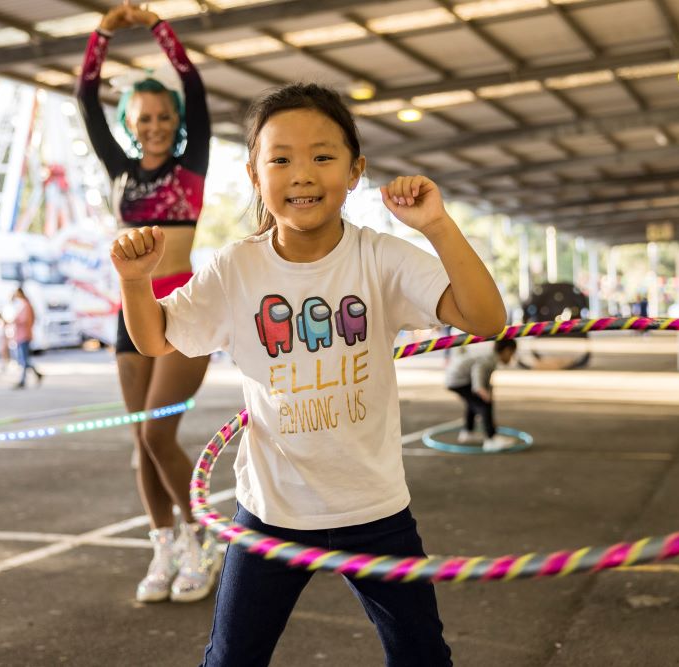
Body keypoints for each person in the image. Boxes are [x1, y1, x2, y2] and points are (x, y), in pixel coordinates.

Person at [111, 82, 506, 666]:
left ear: (355, 171)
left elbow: (487, 318)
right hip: (271, 513)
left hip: (374, 510)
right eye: (281, 159)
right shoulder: (235, 268)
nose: (302, 174)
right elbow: (157, 338)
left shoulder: (381, 258)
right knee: (230, 659)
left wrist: (437, 225)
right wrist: (135, 282)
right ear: (254, 173)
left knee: (422, 658)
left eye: (323, 156)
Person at [77, 1, 216, 603]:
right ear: (132, 124)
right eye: (144, 118)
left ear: (175, 120)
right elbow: (86, 101)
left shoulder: (191, 165)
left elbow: (193, 84)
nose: (155, 124)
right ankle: (164, 545)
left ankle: (203, 541)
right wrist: (100, 36)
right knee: (140, 443)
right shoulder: (120, 170)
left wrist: (157, 27)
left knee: (159, 436)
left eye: (163, 116)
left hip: (184, 307)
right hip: (131, 314)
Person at [445, 339, 517, 452]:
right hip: (458, 379)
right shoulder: (489, 359)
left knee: (474, 403)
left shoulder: (491, 357)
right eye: (512, 354)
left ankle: (467, 433)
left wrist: (486, 391)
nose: (511, 358)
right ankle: (491, 439)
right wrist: (481, 390)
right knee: (484, 404)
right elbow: (478, 370)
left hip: (455, 378)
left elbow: (486, 379)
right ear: (507, 351)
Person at [9, 287, 43, 389]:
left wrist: (15, 320)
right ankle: (37, 374)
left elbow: (25, 320)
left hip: (24, 335)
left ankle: (22, 381)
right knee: (22, 359)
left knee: (23, 359)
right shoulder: (22, 305)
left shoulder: (25, 305)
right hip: (20, 335)